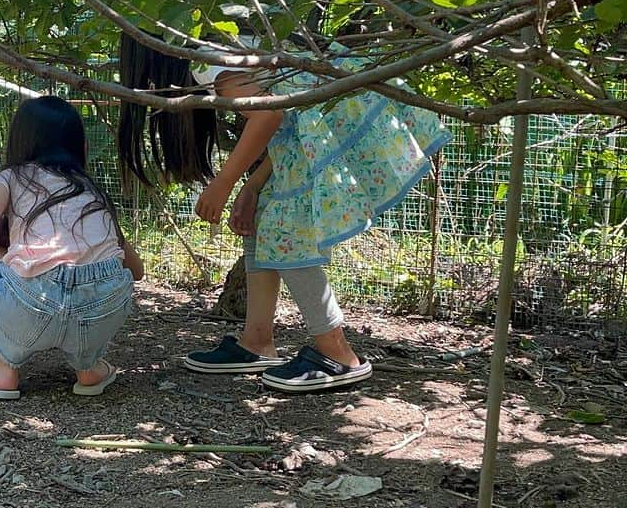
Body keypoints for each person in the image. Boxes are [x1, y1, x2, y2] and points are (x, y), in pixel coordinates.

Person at [118, 34, 450, 392]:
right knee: (264, 224)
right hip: (318, 126)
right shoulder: (229, 46)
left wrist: (225, 182)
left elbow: (268, 114)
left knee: (286, 235)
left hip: (334, 119)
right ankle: (257, 341)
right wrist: (253, 186)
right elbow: (284, 116)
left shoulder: (209, 61)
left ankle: (338, 353)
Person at [0, 95, 145, 400]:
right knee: (104, 283)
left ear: (19, 141)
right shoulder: (91, 191)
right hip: (99, 313)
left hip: (33, 305)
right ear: (79, 145)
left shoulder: (15, 176)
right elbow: (136, 272)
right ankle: (90, 368)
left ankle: (1, 368)